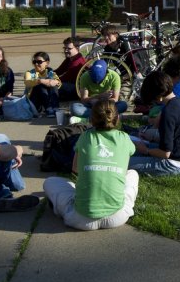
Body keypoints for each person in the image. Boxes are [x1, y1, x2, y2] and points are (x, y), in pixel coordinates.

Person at [44, 99, 139, 231]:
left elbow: (75, 169)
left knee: (50, 182)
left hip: (80, 219)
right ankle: (126, 205)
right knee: (132, 174)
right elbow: (123, 171)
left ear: (91, 119)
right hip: (117, 217)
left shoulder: (85, 137)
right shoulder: (124, 138)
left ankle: (63, 207)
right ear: (117, 118)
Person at [130, 70, 180, 176]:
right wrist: (149, 139)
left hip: (174, 163)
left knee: (124, 162)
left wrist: (146, 150)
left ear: (159, 97)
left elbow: (165, 153)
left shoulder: (168, 113)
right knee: (134, 147)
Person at [23, 51, 62, 117]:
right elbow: (27, 82)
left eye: (39, 62)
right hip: (33, 102)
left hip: (45, 98)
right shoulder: (29, 73)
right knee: (40, 86)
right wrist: (41, 81)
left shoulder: (50, 72)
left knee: (54, 84)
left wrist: (54, 82)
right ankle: (48, 109)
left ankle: (55, 108)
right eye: (34, 62)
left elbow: (59, 83)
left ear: (47, 63)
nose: (36, 64)